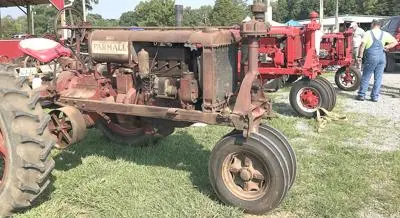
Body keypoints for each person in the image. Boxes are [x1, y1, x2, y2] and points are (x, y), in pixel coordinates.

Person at [356, 19, 398, 102]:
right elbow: (395, 42)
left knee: (366, 76)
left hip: (371, 58)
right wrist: (386, 47)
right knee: (378, 78)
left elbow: (362, 46)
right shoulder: (384, 34)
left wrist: (359, 57)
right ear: (380, 25)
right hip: (381, 58)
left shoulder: (368, 33)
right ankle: (374, 97)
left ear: (372, 24)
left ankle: (361, 95)